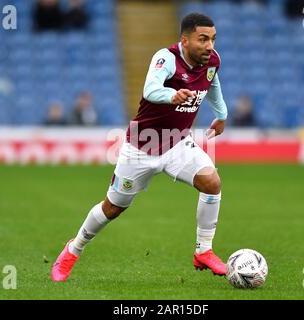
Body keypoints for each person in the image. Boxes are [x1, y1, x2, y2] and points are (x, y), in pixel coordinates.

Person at [51, 13, 229, 281]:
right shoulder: (166, 58)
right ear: (185, 39)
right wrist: (172, 95)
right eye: (203, 39)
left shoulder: (212, 61)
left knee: (212, 183)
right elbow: (150, 90)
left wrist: (221, 114)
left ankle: (203, 250)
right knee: (113, 207)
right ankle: (72, 250)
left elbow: (212, 83)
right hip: (141, 147)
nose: (209, 46)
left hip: (177, 141)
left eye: (213, 39)